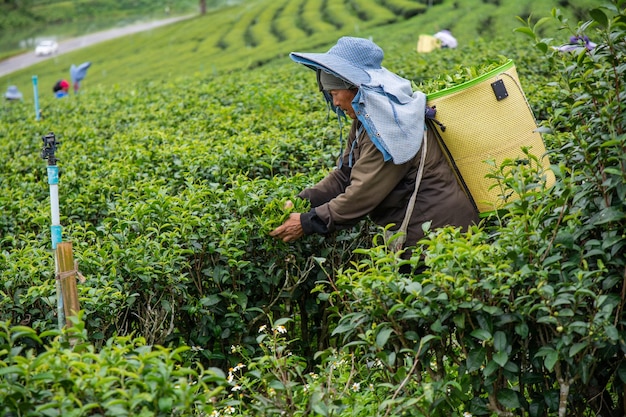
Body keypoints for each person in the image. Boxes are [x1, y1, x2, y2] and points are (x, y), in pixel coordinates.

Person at [269, 37, 478, 263]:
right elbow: (344, 174)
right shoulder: (364, 119)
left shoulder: (389, 127)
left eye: (334, 93)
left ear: (355, 88)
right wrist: (302, 200)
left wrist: (308, 221)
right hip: (421, 232)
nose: (335, 103)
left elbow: (361, 195)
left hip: (438, 235)